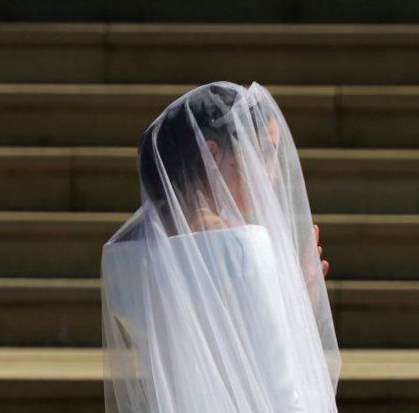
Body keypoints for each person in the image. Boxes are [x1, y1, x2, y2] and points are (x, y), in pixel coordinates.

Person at [101, 81, 340, 412]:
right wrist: (298, 308)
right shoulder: (245, 249)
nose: (270, 175)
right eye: (265, 153)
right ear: (212, 154)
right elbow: (283, 395)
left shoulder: (124, 257)